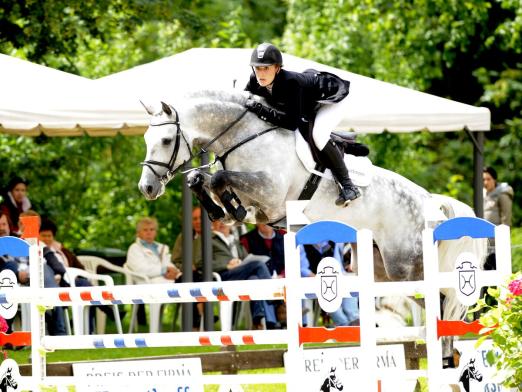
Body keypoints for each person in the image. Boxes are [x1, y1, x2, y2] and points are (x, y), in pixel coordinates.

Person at [244, 42, 360, 206]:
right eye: (257, 68)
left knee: (318, 135)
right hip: (309, 101)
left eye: (266, 68)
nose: (260, 73)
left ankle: (349, 186)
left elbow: (291, 123)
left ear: (277, 68)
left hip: (332, 98)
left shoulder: (290, 83)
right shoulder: (254, 81)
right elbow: (244, 102)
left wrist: (261, 111)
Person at [208, 220, 278, 329]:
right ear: (213, 224)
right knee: (259, 264)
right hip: (223, 275)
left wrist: (241, 262)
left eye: (224, 221)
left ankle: (258, 319)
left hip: (240, 273)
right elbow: (201, 262)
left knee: (254, 279)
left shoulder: (236, 241)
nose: (222, 223)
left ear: (230, 225)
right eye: (218, 221)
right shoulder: (208, 240)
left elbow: (246, 258)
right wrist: (226, 265)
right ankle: (273, 298)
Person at [300, 241, 359, 327]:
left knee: (347, 287)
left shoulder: (333, 243)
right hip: (312, 282)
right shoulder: (303, 245)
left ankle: (354, 320)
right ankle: (344, 324)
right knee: (328, 296)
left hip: (333, 279)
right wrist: (320, 279)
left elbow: (339, 267)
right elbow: (303, 270)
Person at [126, 217, 182, 283]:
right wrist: (163, 270)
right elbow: (141, 269)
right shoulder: (134, 248)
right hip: (149, 282)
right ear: (138, 233)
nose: (149, 232)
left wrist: (174, 272)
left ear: (156, 232)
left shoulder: (162, 247)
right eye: (145, 230)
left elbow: (169, 263)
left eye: (152, 229)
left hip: (168, 279)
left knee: (188, 279)